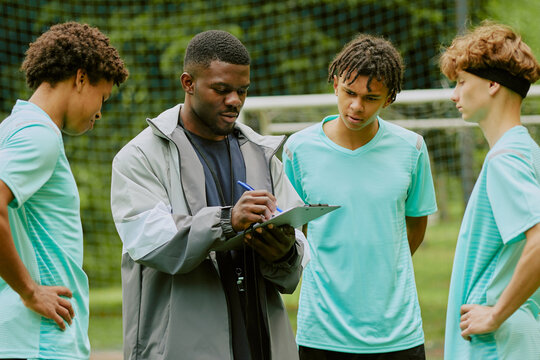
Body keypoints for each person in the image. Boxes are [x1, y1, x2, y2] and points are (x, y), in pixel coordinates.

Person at [110, 30, 306, 360]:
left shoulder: (262, 155)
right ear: (188, 82)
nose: (235, 100)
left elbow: (299, 249)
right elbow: (150, 241)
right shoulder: (140, 156)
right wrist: (226, 221)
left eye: (242, 91)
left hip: (260, 342)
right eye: (221, 89)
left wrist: (284, 251)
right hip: (180, 348)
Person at [282, 34, 438, 359]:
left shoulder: (412, 149)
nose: (356, 106)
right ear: (335, 83)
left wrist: (382, 268)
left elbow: (415, 227)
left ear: (389, 98)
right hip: (321, 332)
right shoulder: (298, 149)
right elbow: (296, 231)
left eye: (370, 97)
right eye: (349, 92)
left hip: (398, 333)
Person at [0, 22, 128, 360]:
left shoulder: (13, 127)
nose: (100, 111)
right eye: (102, 96)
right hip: (40, 339)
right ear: (81, 78)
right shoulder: (39, 134)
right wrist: (29, 292)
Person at [440, 22, 540, 359]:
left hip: (496, 342)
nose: (454, 94)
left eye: (463, 82)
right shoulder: (528, 151)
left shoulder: (505, 161)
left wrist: (496, 314)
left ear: (494, 84)